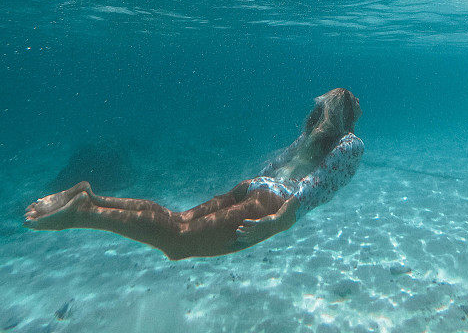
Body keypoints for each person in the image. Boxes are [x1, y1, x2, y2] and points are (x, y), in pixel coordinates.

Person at [24, 89, 364, 260]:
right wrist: (281, 219)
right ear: (349, 116)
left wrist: (251, 189)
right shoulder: (350, 144)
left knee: (178, 220)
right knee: (179, 243)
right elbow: (312, 186)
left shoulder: (310, 137)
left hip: (257, 187)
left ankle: (93, 198)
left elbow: (275, 166)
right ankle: (83, 213)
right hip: (274, 201)